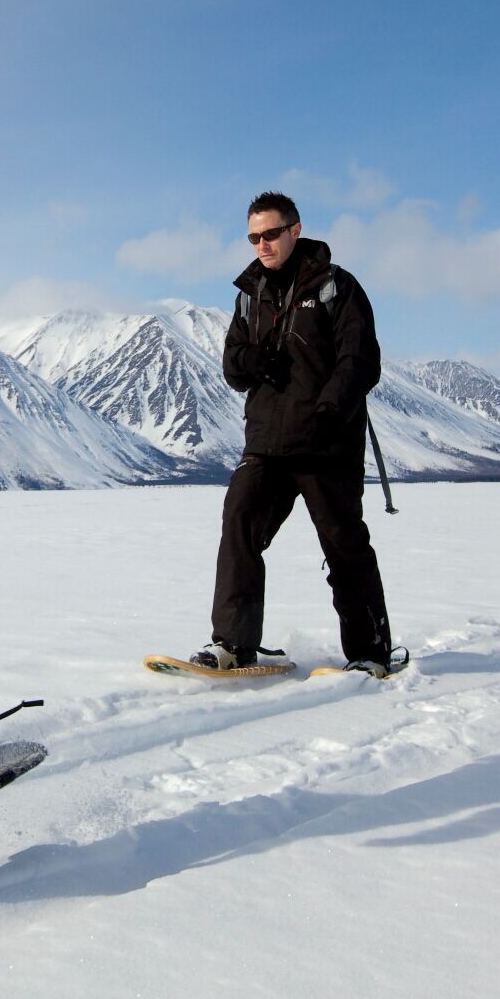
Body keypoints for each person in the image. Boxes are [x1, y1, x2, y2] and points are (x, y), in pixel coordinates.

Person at [195, 190, 407, 677]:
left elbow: (360, 359)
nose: (261, 245)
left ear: (295, 230)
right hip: (267, 442)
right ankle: (233, 644)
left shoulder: (337, 287)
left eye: (270, 234)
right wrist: (248, 360)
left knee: (343, 545)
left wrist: (332, 408)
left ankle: (370, 652)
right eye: (253, 237)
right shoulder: (250, 295)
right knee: (240, 525)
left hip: (326, 441)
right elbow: (231, 365)